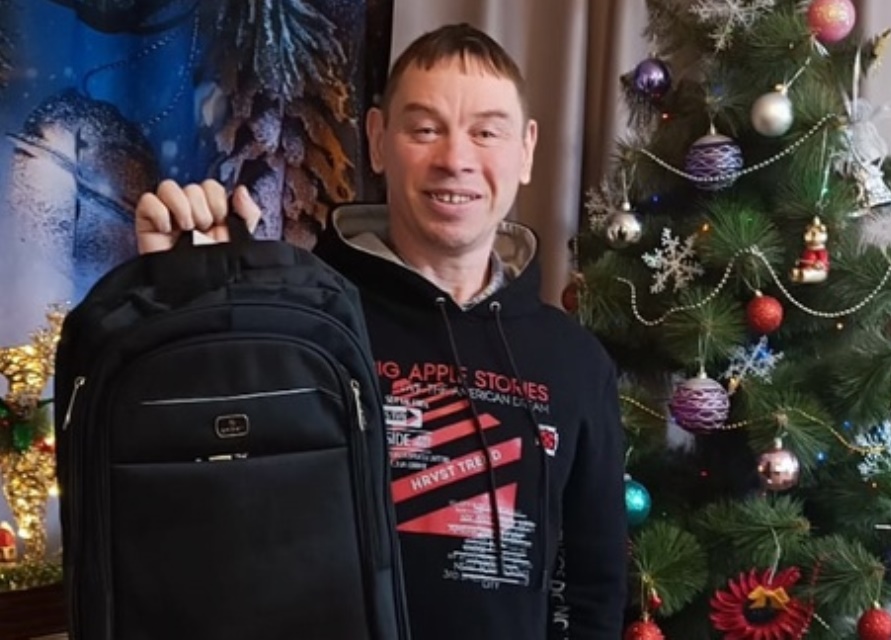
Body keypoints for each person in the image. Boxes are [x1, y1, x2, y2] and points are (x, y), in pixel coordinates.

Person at [136, 23, 627, 640]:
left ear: (525, 150)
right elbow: (195, 506)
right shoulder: (294, 326)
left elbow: (592, 591)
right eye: (424, 129)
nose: (455, 159)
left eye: (486, 132)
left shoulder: (575, 361)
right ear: (377, 139)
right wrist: (181, 310)